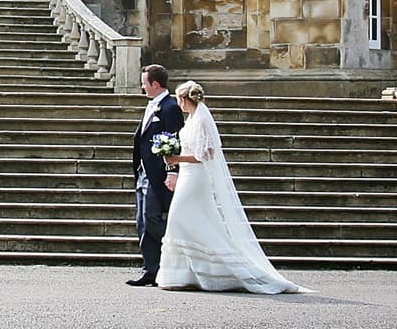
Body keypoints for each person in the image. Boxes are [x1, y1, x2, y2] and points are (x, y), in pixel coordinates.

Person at [157, 80, 307, 294]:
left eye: (178, 99)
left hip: (196, 178)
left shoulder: (201, 120)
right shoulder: (191, 119)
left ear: (184, 99)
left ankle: (218, 268)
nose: (178, 103)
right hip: (187, 176)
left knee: (180, 218)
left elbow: (206, 155)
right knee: (189, 221)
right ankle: (185, 274)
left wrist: (177, 158)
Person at [128, 62, 185, 287]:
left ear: (155, 84)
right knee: (141, 221)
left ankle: (176, 253)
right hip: (143, 172)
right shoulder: (151, 106)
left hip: (158, 174)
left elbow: (176, 141)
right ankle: (150, 269)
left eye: (144, 84)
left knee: (152, 219)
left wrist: (172, 171)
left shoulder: (170, 108)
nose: (142, 88)